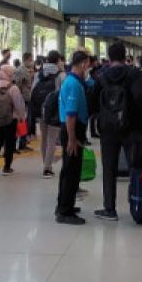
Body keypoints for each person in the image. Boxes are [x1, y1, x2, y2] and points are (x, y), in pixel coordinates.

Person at [95, 42, 142, 221]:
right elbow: (141, 99)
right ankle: (137, 204)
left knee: (109, 168)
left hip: (108, 129)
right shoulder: (134, 74)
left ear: (109, 57)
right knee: (135, 166)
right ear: (125, 57)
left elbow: (94, 102)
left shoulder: (101, 76)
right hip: (131, 127)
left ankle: (109, 209)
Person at [55, 51, 92, 225]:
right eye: (88, 64)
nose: (89, 68)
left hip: (73, 129)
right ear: (83, 64)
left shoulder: (75, 82)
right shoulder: (73, 85)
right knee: (71, 172)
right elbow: (70, 115)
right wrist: (72, 138)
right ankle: (65, 211)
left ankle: (63, 205)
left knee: (69, 170)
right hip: (72, 130)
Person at [0, 65, 26, 177]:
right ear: (9, 74)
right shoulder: (13, 88)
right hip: (10, 120)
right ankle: (7, 167)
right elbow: (19, 105)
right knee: (9, 143)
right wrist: (22, 116)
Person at [31, 53, 64, 178]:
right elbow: (63, 92)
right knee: (52, 139)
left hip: (41, 110)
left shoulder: (38, 74)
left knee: (44, 138)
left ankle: (46, 164)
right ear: (58, 60)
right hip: (54, 111)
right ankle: (47, 168)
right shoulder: (61, 75)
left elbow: (33, 92)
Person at [16, 52, 36, 152]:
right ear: (27, 59)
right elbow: (18, 85)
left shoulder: (26, 70)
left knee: (26, 121)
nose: (32, 62)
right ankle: (21, 143)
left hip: (27, 98)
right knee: (23, 121)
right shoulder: (21, 70)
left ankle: (22, 143)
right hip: (23, 99)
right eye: (31, 59)